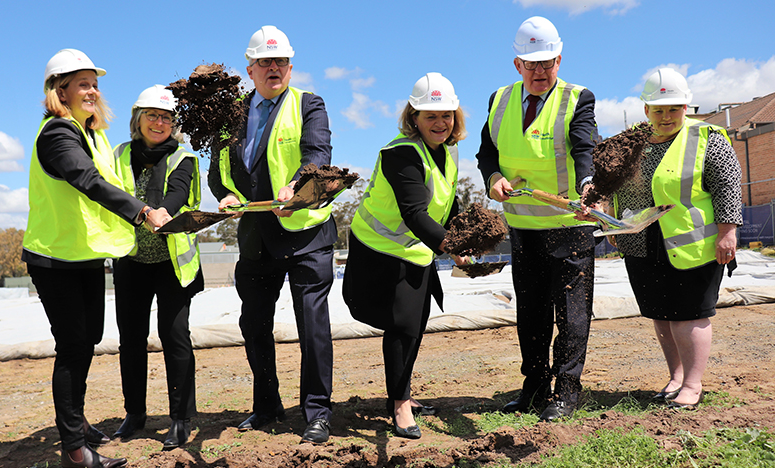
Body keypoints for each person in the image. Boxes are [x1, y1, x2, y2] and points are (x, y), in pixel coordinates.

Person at [22, 49, 170, 468]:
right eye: (82, 83)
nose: (92, 90)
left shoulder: (91, 134)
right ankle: (74, 449)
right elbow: (86, 180)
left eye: (94, 83)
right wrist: (143, 213)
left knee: (85, 343)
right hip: (54, 257)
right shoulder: (57, 134)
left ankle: (77, 422)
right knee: (72, 347)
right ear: (59, 90)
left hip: (83, 255)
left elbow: (110, 181)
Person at [207, 25, 336, 444]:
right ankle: (266, 405)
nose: (273, 68)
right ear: (250, 69)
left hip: (306, 237)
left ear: (291, 67)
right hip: (256, 238)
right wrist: (226, 194)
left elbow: (317, 154)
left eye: (280, 61)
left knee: (312, 326)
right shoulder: (230, 117)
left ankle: (316, 412)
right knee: (254, 325)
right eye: (265, 61)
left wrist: (297, 185)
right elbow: (218, 172)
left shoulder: (309, 104)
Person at [475, 16, 600, 421]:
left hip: (570, 225)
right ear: (518, 65)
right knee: (530, 312)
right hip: (524, 228)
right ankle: (534, 388)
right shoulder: (499, 99)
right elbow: (486, 153)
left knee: (571, 313)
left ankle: (565, 391)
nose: (540, 72)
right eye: (532, 65)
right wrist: (493, 178)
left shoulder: (577, 98)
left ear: (559, 60)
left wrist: (588, 184)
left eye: (548, 63)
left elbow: (585, 148)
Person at [343, 73, 469, 439]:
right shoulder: (401, 154)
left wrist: (463, 234)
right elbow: (415, 213)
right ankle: (399, 407)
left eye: (446, 115)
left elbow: (446, 200)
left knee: (414, 327)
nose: (440, 122)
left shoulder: (448, 152)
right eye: (431, 115)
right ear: (414, 117)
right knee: (401, 327)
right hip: (380, 252)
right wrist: (453, 247)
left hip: (415, 251)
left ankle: (404, 395)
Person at [611, 68, 742, 409]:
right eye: (659, 109)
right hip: (643, 245)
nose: (666, 116)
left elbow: (727, 187)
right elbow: (622, 187)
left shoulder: (707, 138)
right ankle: (676, 376)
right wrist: (616, 226)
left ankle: (693, 385)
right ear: (646, 111)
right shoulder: (632, 144)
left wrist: (728, 232)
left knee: (690, 315)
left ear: (686, 106)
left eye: (674, 108)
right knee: (662, 314)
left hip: (693, 246)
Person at [110, 85, 204, 449]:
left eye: (166, 117)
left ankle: (180, 418)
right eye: (152, 115)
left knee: (175, 337)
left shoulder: (184, 157)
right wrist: (141, 212)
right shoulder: (118, 155)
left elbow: (180, 190)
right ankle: (134, 414)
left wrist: (162, 209)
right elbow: (111, 190)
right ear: (138, 119)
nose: (159, 122)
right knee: (131, 340)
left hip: (171, 264)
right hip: (131, 260)